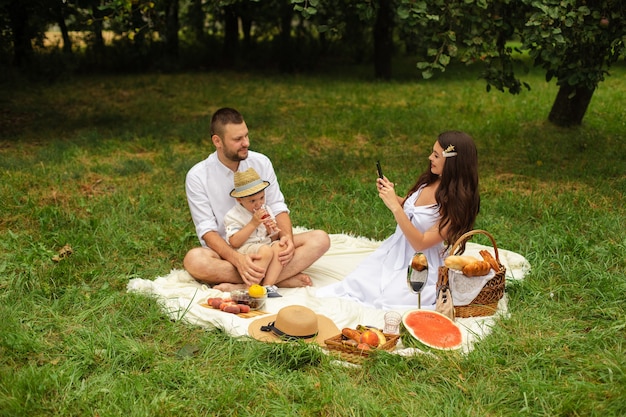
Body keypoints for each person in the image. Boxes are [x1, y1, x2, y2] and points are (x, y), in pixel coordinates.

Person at [316, 131, 480, 310]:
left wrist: (395, 206)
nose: (429, 157)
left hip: (421, 263)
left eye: (436, 155)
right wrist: (392, 196)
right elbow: (411, 211)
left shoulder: (456, 202)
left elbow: (421, 243)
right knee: (357, 284)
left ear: (453, 162)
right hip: (395, 250)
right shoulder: (430, 181)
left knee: (391, 299)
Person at [183, 107, 330, 292]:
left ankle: (246, 284)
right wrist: (238, 260)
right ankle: (276, 279)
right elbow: (207, 230)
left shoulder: (261, 162)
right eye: (237, 139)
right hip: (226, 251)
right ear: (217, 141)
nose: (246, 143)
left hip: (265, 245)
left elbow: (277, 206)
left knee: (320, 239)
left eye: (246, 135)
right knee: (194, 261)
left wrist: (286, 239)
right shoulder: (197, 176)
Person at [224, 167, 283, 288]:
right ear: (239, 199)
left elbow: (274, 238)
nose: (259, 204)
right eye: (252, 201)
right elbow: (234, 242)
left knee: (280, 246)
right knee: (266, 251)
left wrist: (270, 228)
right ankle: (249, 287)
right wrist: (253, 223)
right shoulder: (233, 215)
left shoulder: (266, 209)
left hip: (265, 245)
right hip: (244, 248)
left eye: (262, 198)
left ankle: (267, 285)